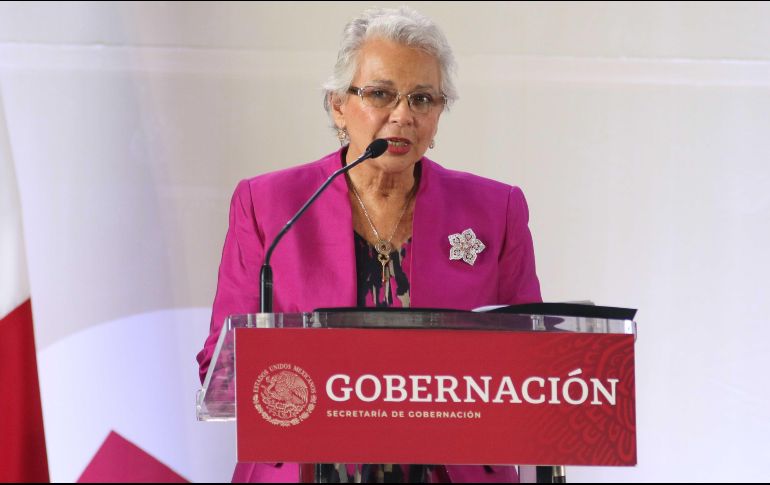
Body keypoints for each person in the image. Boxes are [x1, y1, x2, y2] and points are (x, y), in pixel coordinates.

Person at [197, 6, 541, 483]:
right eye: (380, 94)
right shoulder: (270, 205)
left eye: (422, 99)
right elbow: (219, 364)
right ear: (338, 104)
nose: (403, 115)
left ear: (439, 113)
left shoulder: (495, 210)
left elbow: (535, 362)